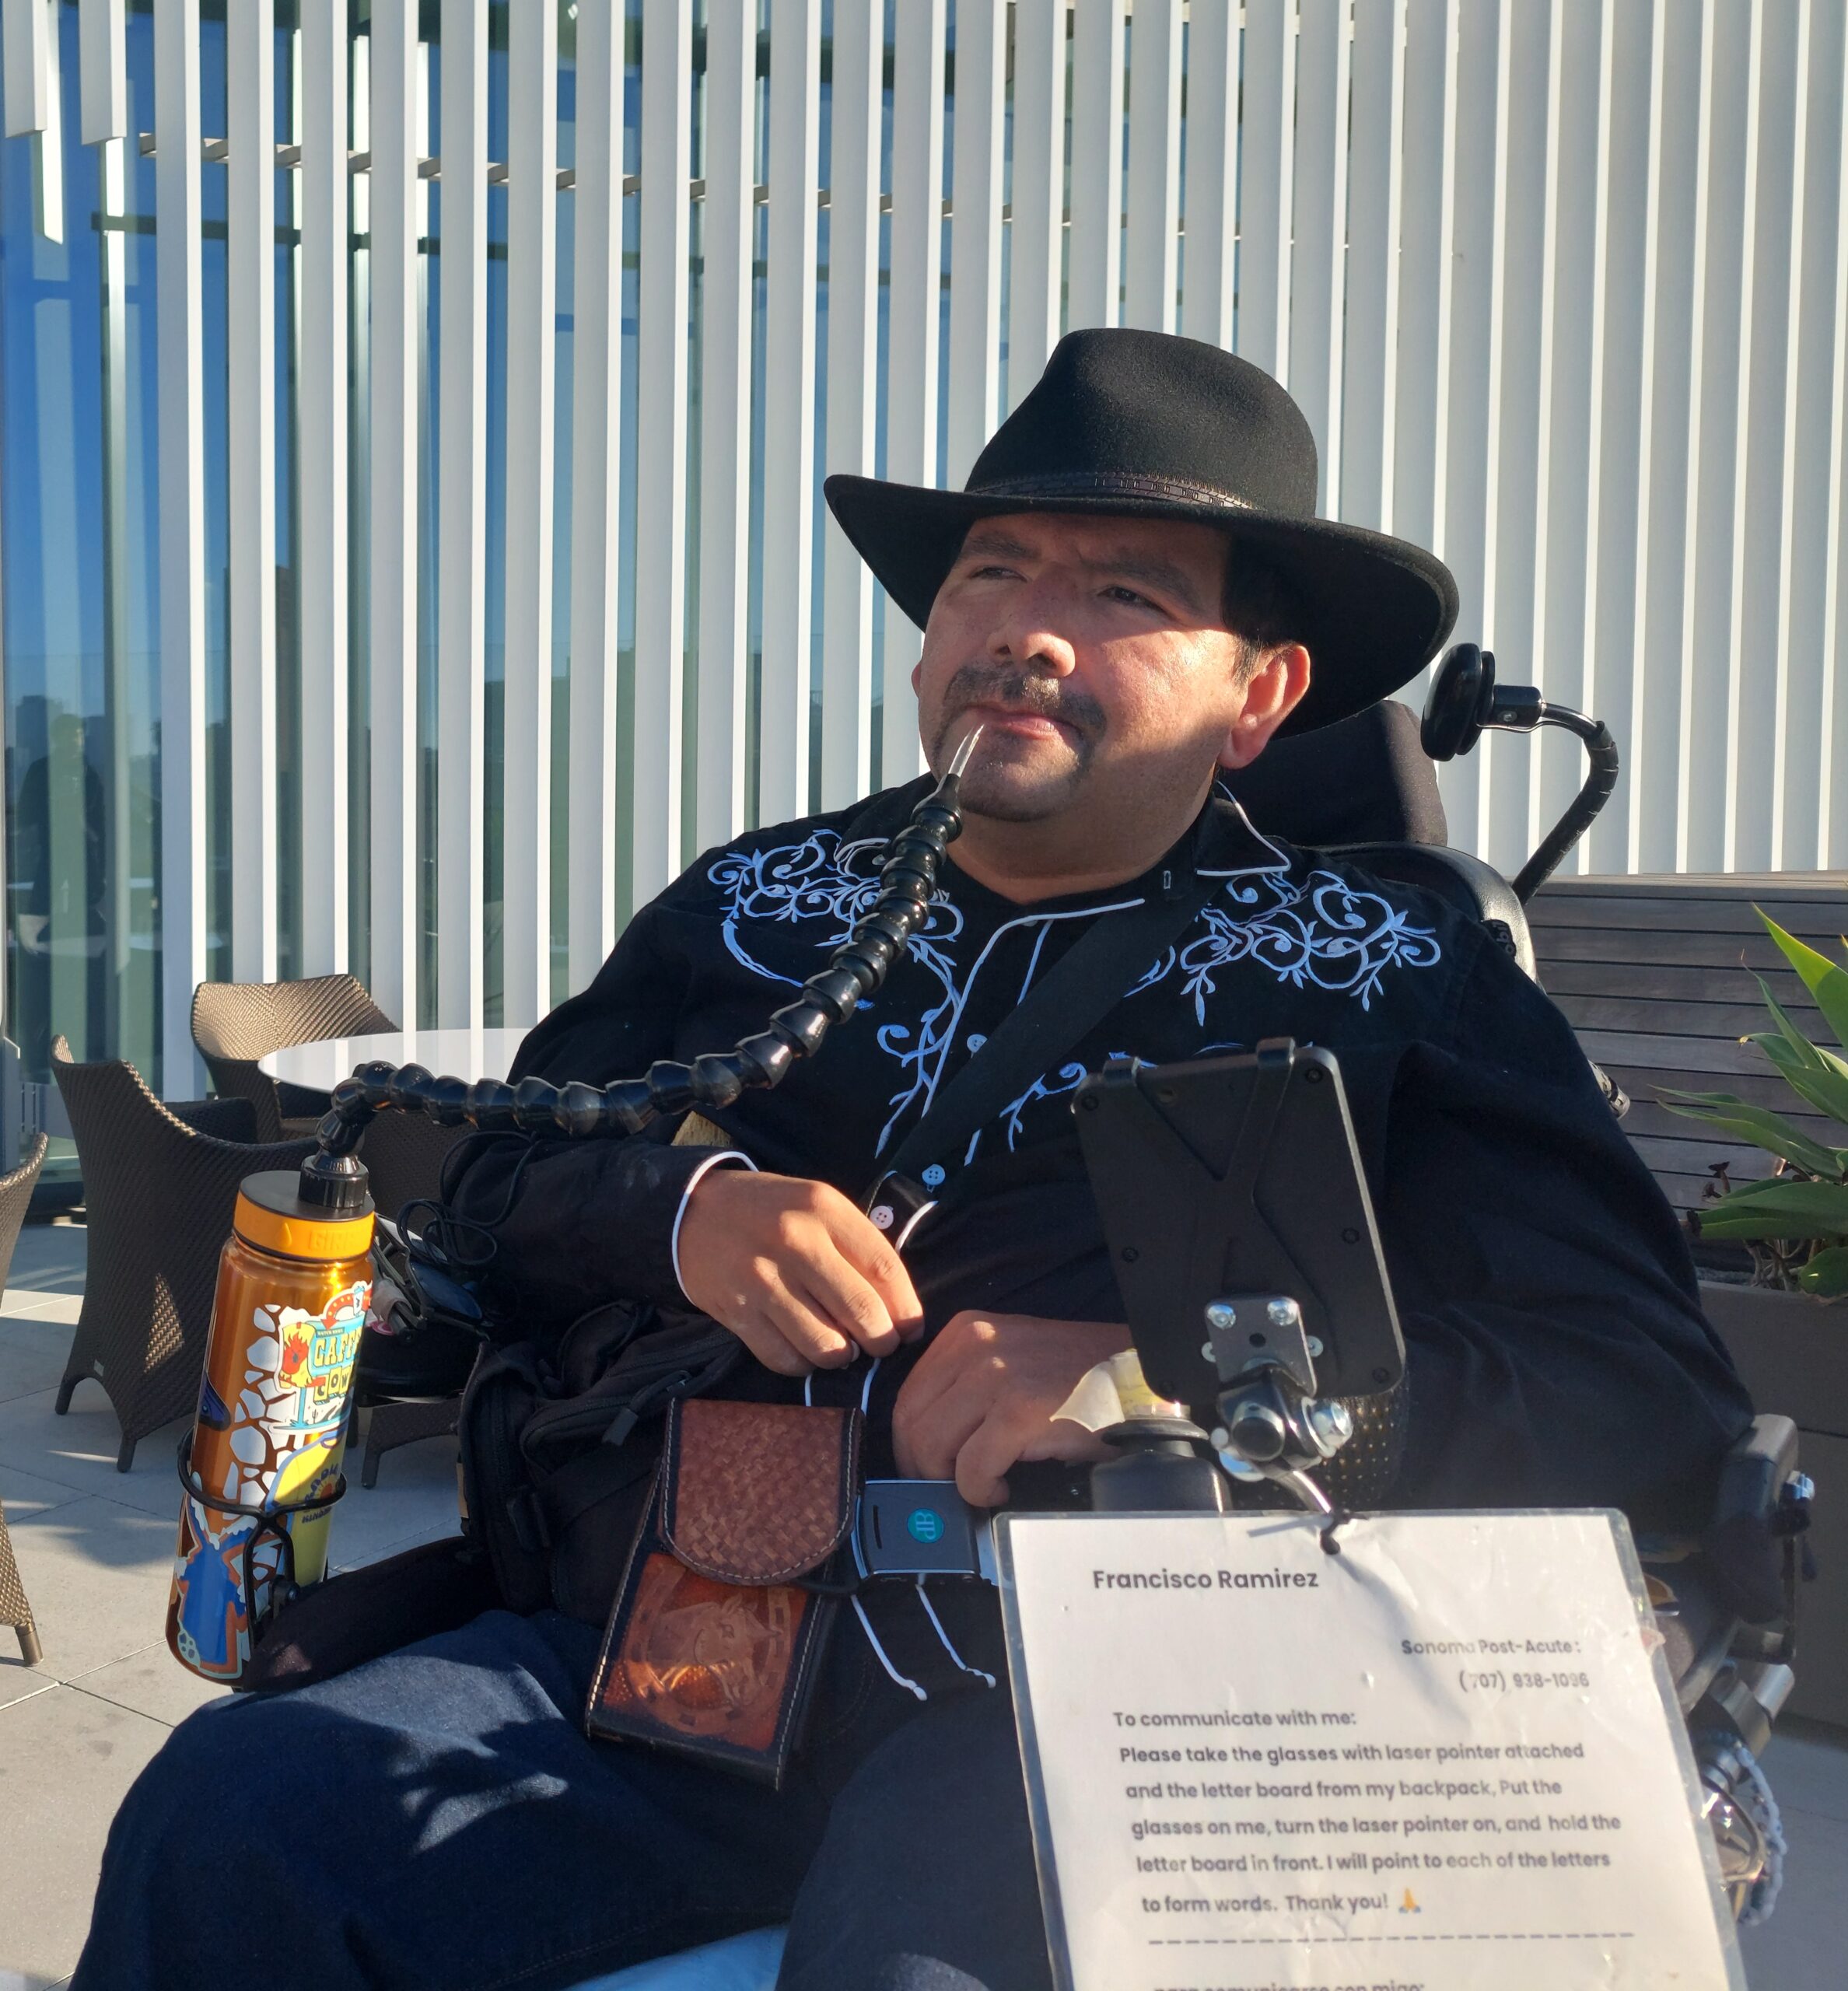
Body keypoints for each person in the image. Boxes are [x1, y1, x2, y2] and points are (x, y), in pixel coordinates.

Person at [73, 331, 1750, 1991]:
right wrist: (683, 1214)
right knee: (228, 1823)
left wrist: (1162, 1388)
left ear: (1263, 694)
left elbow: (1637, 1385)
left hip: (1087, 1704)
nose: (1022, 629)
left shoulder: (1393, 964)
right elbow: (487, 1187)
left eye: (1123, 595)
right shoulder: (750, 902)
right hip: (669, 1649)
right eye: (990, 572)